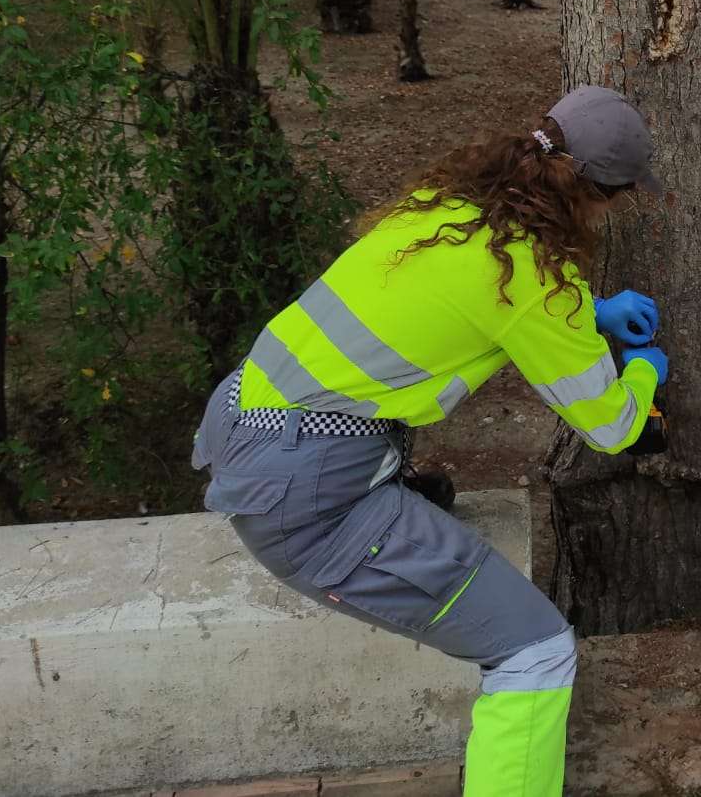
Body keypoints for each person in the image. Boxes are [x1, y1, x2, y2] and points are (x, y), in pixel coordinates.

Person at [191, 85, 669, 797]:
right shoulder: (538, 280)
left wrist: (592, 313)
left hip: (244, 420)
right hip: (306, 496)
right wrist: (643, 376)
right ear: (599, 198)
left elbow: (453, 301)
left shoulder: (445, 205)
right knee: (535, 651)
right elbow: (612, 428)